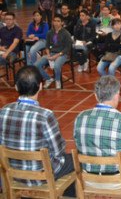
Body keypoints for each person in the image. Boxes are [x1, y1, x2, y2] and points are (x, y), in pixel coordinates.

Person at [0, 66, 76, 196]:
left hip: (13, 171)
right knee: (75, 159)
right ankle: (66, 194)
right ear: (40, 86)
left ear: (16, 87)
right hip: (41, 174)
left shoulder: (4, 112)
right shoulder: (45, 115)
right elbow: (59, 150)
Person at [34, 15, 72, 90]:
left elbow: (67, 47)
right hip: (51, 53)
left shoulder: (66, 33)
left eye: (58, 21)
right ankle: (48, 79)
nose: (56, 23)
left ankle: (58, 81)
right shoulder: (50, 32)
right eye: (55, 21)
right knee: (36, 65)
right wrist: (48, 55)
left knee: (57, 65)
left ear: (62, 23)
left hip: (61, 54)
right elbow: (47, 45)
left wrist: (57, 55)